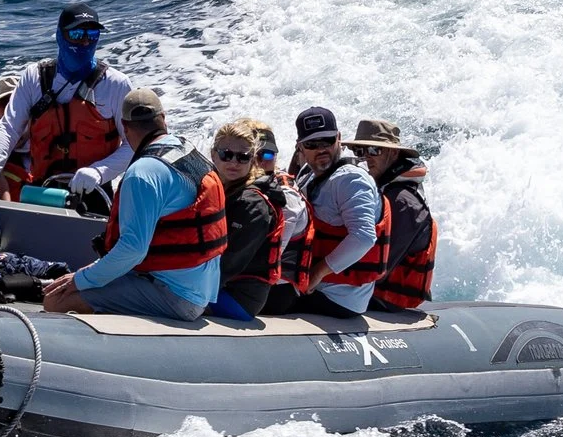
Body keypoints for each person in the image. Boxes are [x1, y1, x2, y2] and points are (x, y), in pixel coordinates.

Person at [40, 90, 226, 320]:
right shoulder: (188, 150)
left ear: (125, 129)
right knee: (85, 278)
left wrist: (79, 280)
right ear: (163, 118)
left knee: (56, 300)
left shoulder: (142, 173)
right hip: (200, 291)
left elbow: (133, 250)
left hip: (175, 297)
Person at [0, 4, 134, 203]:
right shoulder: (33, 77)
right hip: (42, 192)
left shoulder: (116, 84)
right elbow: (9, 128)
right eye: (77, 34)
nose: (85, 41)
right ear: (60, 36)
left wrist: (99, 171)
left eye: (93, 34)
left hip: (95, 193)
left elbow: (133, 145)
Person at [274, 106, 391, 316]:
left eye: (327, 141)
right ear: (300, 147)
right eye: (312, 144)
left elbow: (363, 237)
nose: (321, 149)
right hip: (311, 287)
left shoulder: (351, 180)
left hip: (338, 298)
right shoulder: (307, 174)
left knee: (258, 300)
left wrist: (317, 273)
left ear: (339, 138)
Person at [346, 119, 437, 311]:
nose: (366, 158)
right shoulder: (385, 189)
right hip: (373, 293)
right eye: (360, 151)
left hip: (386, 301)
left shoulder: (402, 202)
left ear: (393, 152)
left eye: (374, 151)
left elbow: (380, 268)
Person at [208, 118, 293, 318]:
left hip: (237, 297)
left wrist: (180, 288)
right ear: (213, 155)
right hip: (217, 286)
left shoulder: (252, 204)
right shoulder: (219, 187)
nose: (233, 162)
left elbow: (227, 264)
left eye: (242, 157)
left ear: (253, 159)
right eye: (226, 155)